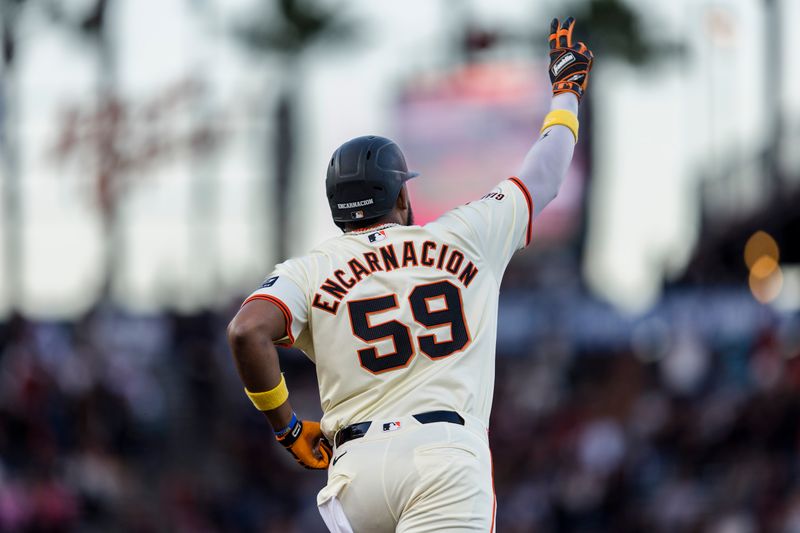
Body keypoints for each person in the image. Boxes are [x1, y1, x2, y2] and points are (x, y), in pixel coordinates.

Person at [227, 17, 593, 533]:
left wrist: (286, 427)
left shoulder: (308, 269)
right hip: (443, 456)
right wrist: (566, 93)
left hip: (355, 473)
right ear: (401, 195)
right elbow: (547, 172)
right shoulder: (464, 233)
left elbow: (246, 330)